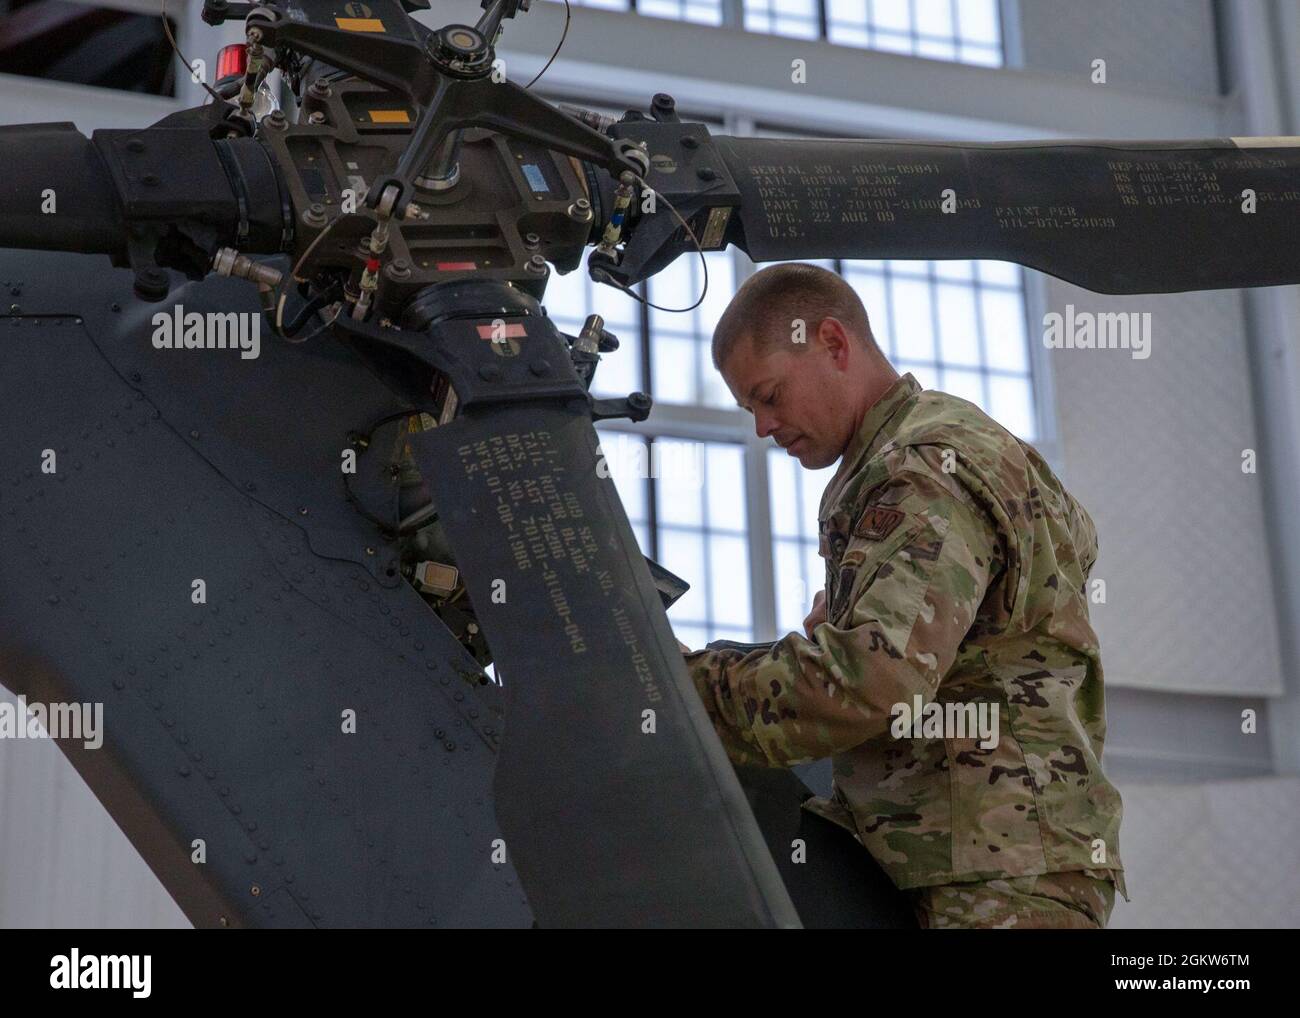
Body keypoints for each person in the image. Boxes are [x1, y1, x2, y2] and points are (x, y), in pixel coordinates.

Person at [678, 262, 1128, 929]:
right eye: (750, 410)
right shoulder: (925, 453)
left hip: (992, 877)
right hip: (968, 857)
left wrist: (683, 689)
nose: (763, 428)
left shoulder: (921, 467)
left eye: (770, 396)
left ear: (833, 342)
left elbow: (872, 679)